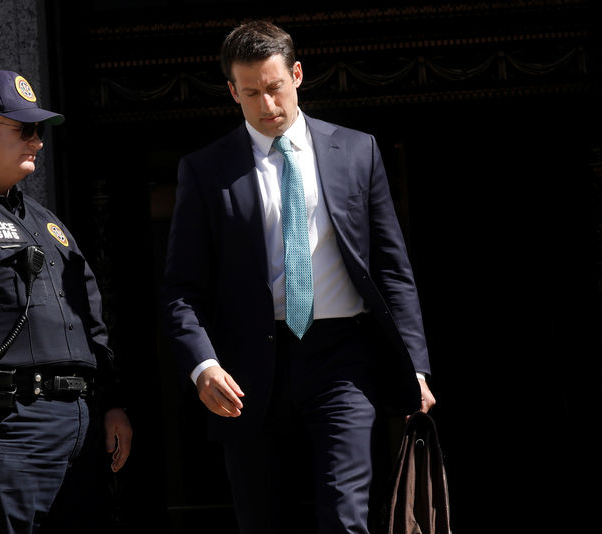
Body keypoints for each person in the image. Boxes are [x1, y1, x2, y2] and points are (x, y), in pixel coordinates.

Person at [161, 20, 435, 534]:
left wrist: (414, 363)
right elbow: (182, 288)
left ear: (298, 75)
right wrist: (202, 365)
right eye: (250, 93)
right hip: (246, 366)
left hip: (343, 359)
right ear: (231, 92)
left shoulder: (357, 151)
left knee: (345, 516)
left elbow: (392, 270)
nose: (266, 105)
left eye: (275, 87)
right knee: (262, 519)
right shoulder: (205, 169)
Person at [0, 69, 132, 534]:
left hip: (77, 428)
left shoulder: (44, 220)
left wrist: (112, 401)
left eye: (39, 130)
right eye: (25, 129)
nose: (38, 141)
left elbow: (89, 315)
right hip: (5, 429)